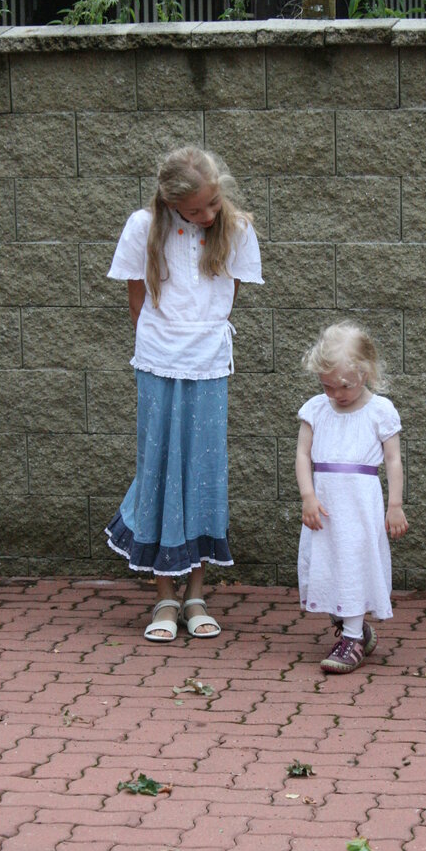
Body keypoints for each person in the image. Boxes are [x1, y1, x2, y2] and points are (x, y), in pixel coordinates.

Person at [105, 146, 263, 641]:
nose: (208, 215)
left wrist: (200, 340)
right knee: (159, 466)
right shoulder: (142, 226)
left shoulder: (236, 229)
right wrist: (163, 344)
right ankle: (164, 598)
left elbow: (227, 298)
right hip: (157, 361)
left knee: (202, 471)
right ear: (172, 203)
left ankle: (195, 594)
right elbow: (136, 300)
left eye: (213, 203)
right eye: (195, 210)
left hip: (208, 364)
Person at [295, 321, 408, 673]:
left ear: (366, 372)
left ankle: (353, 637)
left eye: (344, 385)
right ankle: (353, 628)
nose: (336, 394)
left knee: (354, 564)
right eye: (327, 385)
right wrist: (307, 496)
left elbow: (393, 460)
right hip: (326, 508)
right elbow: (302, 455)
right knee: (328, 566)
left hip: (359, 508)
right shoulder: (316, 409)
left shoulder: (380, 411)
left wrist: (395, 505)